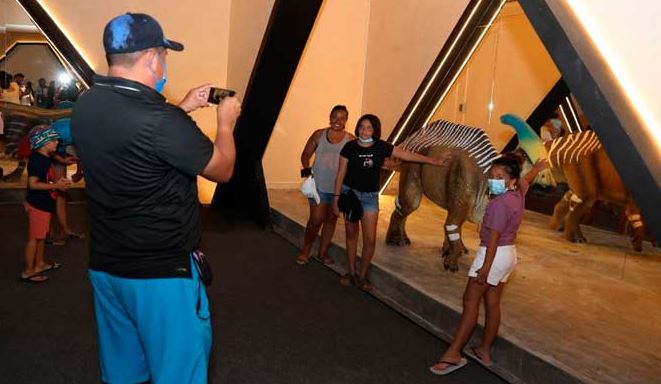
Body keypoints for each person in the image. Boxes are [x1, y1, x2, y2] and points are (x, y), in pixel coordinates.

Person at [71, 12, 241, 384]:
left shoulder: (86, 105)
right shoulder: (163, 121)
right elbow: (223, 168)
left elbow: (136, 139)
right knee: (179, 374)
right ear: (151, 57)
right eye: (164, 55)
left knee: (124, 375)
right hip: (161, 276)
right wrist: (226, 123)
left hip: (107, 268)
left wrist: (183, 106)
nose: (164, 63)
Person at [429, 154, 548, 375]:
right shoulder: (517, 193)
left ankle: (454, 354)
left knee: (470, 303)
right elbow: (526, 180)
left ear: (510, 180)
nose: (493, 180)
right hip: (509, 255)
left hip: (491, 256)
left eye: (500, 177)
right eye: (492, 175)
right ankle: (484, 349)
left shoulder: (499, 205)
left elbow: (492, 240)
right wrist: (537, 168)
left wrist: (484, 269)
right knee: (492, 303)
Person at [333, 114, 448, 290]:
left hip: (370, 198)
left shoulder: (381, 146)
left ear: (375, 130)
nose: (364, 131)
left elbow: (407, 155)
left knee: (370, 240)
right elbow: (341, 173)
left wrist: (433, 160)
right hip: (350, 195)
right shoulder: (349, 147)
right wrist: (336, 198)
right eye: (362, 127)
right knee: (351, 235)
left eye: (369, 127)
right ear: (357, 128)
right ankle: (351, 271)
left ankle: (362, 276)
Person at [296, 105, 353, 265]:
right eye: (335, 116)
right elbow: (305, 156)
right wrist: (308, 176)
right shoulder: (319, 135)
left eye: (342, 118)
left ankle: (322, 253)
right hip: (318, 187)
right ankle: (306, 250)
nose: (338, 121)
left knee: (330, 220)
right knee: (316, 219)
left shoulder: (350, 140)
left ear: (346, 121)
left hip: (337, 190)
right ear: (330, 117)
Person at [21, 125, 71, 283]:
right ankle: (28, 271)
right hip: (39, 204)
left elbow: (43, 180)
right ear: (43, 142)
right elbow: (33, 184)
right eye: (53, 139)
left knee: (41, 236)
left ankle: (40, 263)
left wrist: (57, 182)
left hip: (44, 202)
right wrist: (56, 186)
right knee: (34, 238)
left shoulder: (44, 157)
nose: (57, 142)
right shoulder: (38, 160)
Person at [49, 100, 84, 244]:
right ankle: (48, 232)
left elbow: (82, 150)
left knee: (60, 191)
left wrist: (78, 171)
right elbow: (46, 148)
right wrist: (75, 170)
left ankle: (63, 230)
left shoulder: (79, 129)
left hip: (60, 152)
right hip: (51, 154)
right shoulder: (65, 129)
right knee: (52, 193)